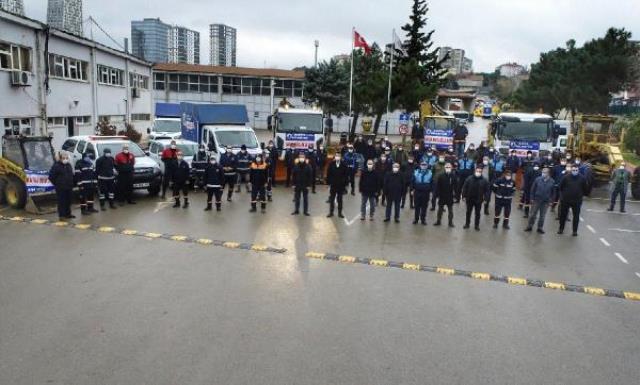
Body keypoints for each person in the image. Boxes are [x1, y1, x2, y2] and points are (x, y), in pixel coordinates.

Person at [558, 164, 588, 236]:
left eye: (576, 170)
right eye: (573, 170)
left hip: (577, 201)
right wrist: (563, 195)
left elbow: (585, 189)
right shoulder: (566, 177)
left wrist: (581, 195)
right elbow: (561, 187)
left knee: (576, 216)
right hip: (566, 200)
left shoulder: (582, 178)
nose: (575, 171)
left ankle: (575, 231)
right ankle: (561, 229)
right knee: (563, 215)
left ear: (578, 170)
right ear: (571, 170)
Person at [525, 166, 555, 234]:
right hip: (536, 200)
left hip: (545, 202)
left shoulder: (552, 181)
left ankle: (540, 228)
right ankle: (529, 226)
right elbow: (533, 189)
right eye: (542, 172)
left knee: (542, 216)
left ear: (548, 174)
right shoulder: (537, 179)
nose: (543, 174)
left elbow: (553, 193)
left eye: (544, 172)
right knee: (532, 215)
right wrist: (531, 198)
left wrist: (551, 201)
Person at [49, 152, 75, 220]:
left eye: (66, 158)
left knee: (68, 201)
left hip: (69, 186)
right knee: (61, 202)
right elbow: (51, 177)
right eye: (64, 158)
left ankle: (68, 214)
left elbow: (71, 175)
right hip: (61, 187)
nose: (65, 159)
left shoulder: (69, 165)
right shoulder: (56, 166)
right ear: (60, 159)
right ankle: (62, 215)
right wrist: (57, 183)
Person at [462, 166, 489, 231]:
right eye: (477, 171)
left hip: (478, 200)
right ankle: (467, 224)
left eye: (480, 171)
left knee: (477, 213)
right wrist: (463, 196)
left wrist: (486, 199)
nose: (478, 172)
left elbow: (487, 191)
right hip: (469, 199)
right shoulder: (469, 178)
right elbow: (465, 187)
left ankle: (476, 225)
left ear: (481, 172)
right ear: (475, 171)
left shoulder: (484, 180)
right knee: (468, 212)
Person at [326, 152, 349, 218]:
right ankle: (331, 212)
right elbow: (328, 174)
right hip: (333, 185)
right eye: (336, 156)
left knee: (340, 199)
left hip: (340, 185)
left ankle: (340, 213)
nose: (337, 157)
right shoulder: (331, 164)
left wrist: (345, 184)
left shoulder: (344, 165)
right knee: (332, 199)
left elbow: (346, 175)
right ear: (335, 157)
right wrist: (328, 183)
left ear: (341, 157)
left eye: (339, 156)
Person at [434, 162, 456, 227]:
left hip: (450, 196)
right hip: (442, 195)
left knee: (450, 210)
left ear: (451, 168)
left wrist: (456, 195)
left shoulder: (453, 176)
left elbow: (456, 186)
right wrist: (437, 195)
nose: (448, 168)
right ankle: (438, 221)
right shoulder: (441, 176)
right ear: (444, 168)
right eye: (447, 167)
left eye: (449, 167)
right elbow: (438, 186)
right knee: (440, 210)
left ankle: (450, 222)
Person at [412, 161, 433, 225]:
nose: (423, 166)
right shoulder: (416, 172)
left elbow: (432, 183)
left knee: (424, 207)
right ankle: (416, 219)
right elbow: (412, 181)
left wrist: (431, 191)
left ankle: (423, 220)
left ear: (427, 166)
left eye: (425, 165)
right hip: (417, 191)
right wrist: (412, 189)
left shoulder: (430, 173)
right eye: (422, 165)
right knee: (417, 206)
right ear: (420, 165)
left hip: (425, 192)